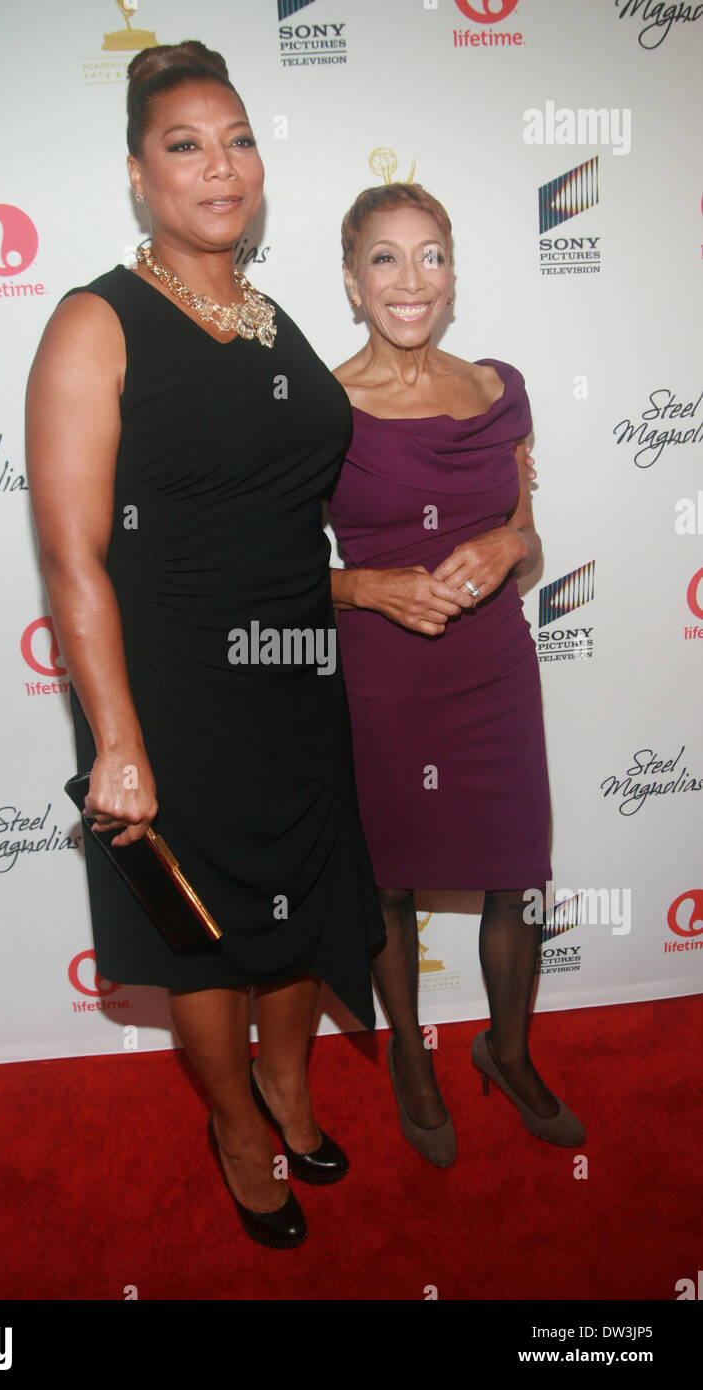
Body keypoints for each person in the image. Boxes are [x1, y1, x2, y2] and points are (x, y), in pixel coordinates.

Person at [25, 42, 385, 1249]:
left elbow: (283, 521)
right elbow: (75, 553)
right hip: (170, 693)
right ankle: (235, 1123)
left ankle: (288, 1086)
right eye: (184, 144)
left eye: (235, 139)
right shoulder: (96, 321)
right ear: (139, 175)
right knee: (207, 942)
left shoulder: (270, 318)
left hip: (294, 673)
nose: (217, 166)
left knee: (298, 915)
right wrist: (116, 740)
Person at [328, 183, 585, 1166]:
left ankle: (506, 1050)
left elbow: (527, 540)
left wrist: (506, 547)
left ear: (451, 275)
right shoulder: (318, 410)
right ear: (351, 282)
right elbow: (268, 582)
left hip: (492, 672)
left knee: (516, 874)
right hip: (383, 685)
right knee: (387, 882)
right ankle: (408, 1053)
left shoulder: (497, 389)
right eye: (383, 258)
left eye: (428, 255)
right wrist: (370, 587)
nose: (408, 279)